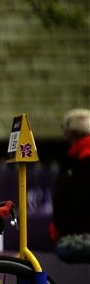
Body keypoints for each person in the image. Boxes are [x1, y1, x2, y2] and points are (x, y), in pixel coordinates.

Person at [50, 108, 90, 263]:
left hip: (80, 235)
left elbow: (77, 200)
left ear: (70, 132)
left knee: (64, 248)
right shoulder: (75, 157)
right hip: (74, 232)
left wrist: (61, 230)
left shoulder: (84, 158)